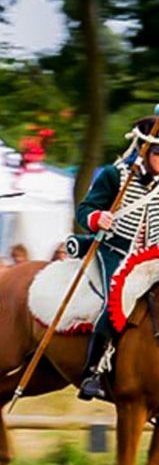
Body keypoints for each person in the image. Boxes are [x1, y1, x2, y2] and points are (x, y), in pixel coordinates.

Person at [75, 113, 159, 400]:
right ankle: (93, 372)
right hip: (118, 252)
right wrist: (98, 218)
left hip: (154, 256)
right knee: (118, 300)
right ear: (145, 151)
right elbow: (84, 210)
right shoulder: (116, 176)